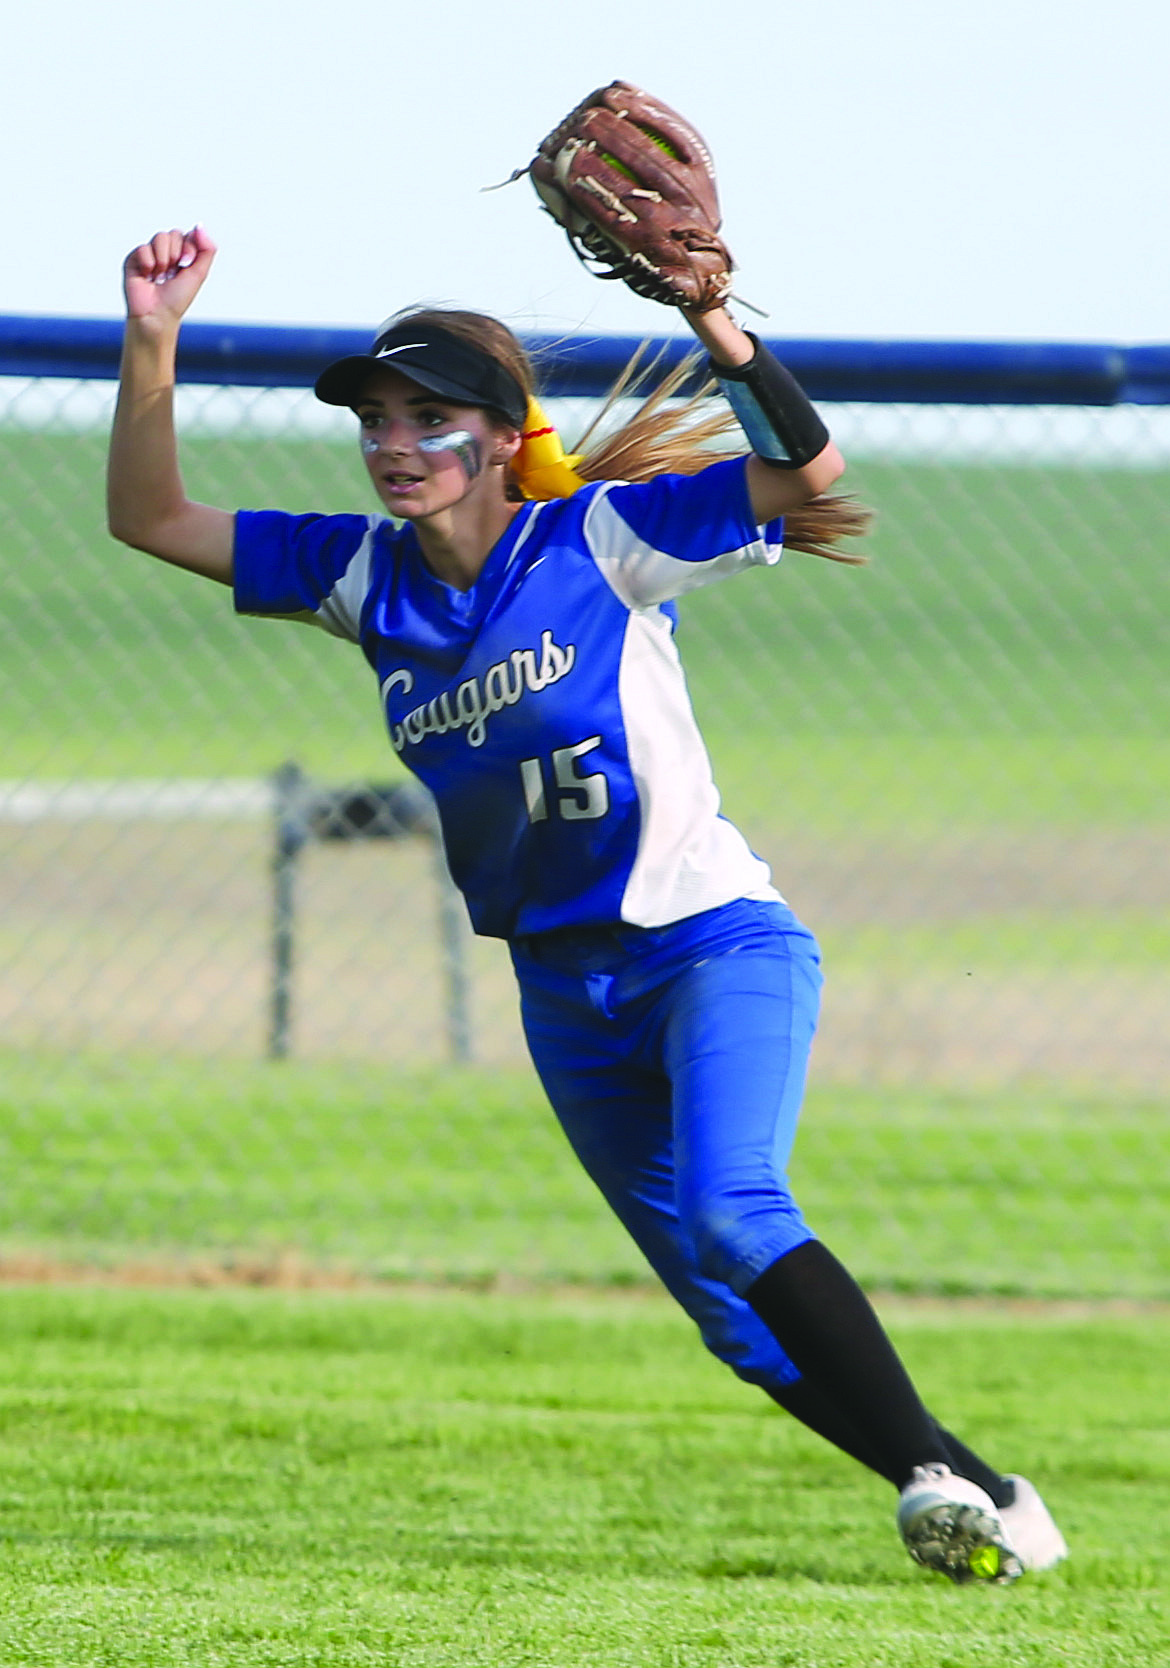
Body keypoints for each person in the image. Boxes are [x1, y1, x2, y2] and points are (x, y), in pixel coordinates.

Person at [107, 225, 1067, 1585]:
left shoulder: (600, 537)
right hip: (564, 993)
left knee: (738, 1215)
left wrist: (718, 325)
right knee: (731, 1328)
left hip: (708, 944)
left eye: (428, 418)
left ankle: (930, 1477)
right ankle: (983, 1497)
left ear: (504, 437)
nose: (392, 443)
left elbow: (807, 473)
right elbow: (148, 519)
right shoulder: (359, 578)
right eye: (375, 419)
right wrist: (154, 338)